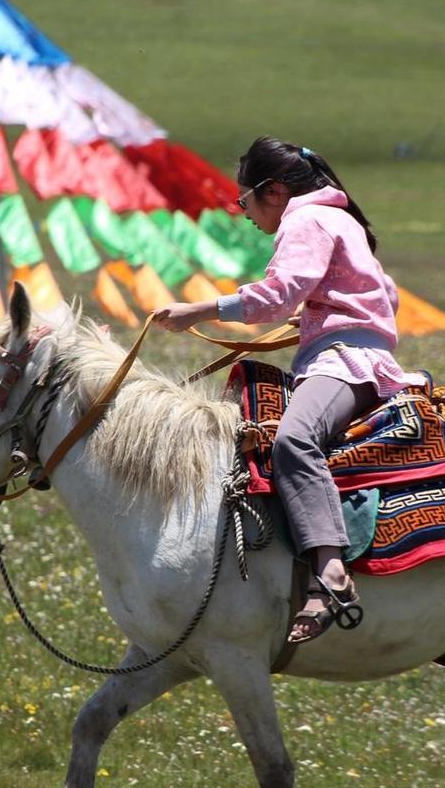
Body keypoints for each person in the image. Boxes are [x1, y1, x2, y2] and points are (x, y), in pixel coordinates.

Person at [153, 136, 422, 644]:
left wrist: (199, 310)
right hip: (361, 354)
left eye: (244, 200)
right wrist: (325, 311)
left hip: (343, 362)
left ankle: (330, 572)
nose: (244, 212)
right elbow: (384, 294)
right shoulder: (342, 220)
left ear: (273, 191)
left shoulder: (305, 221)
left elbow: (278, 295)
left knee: (293, 442)